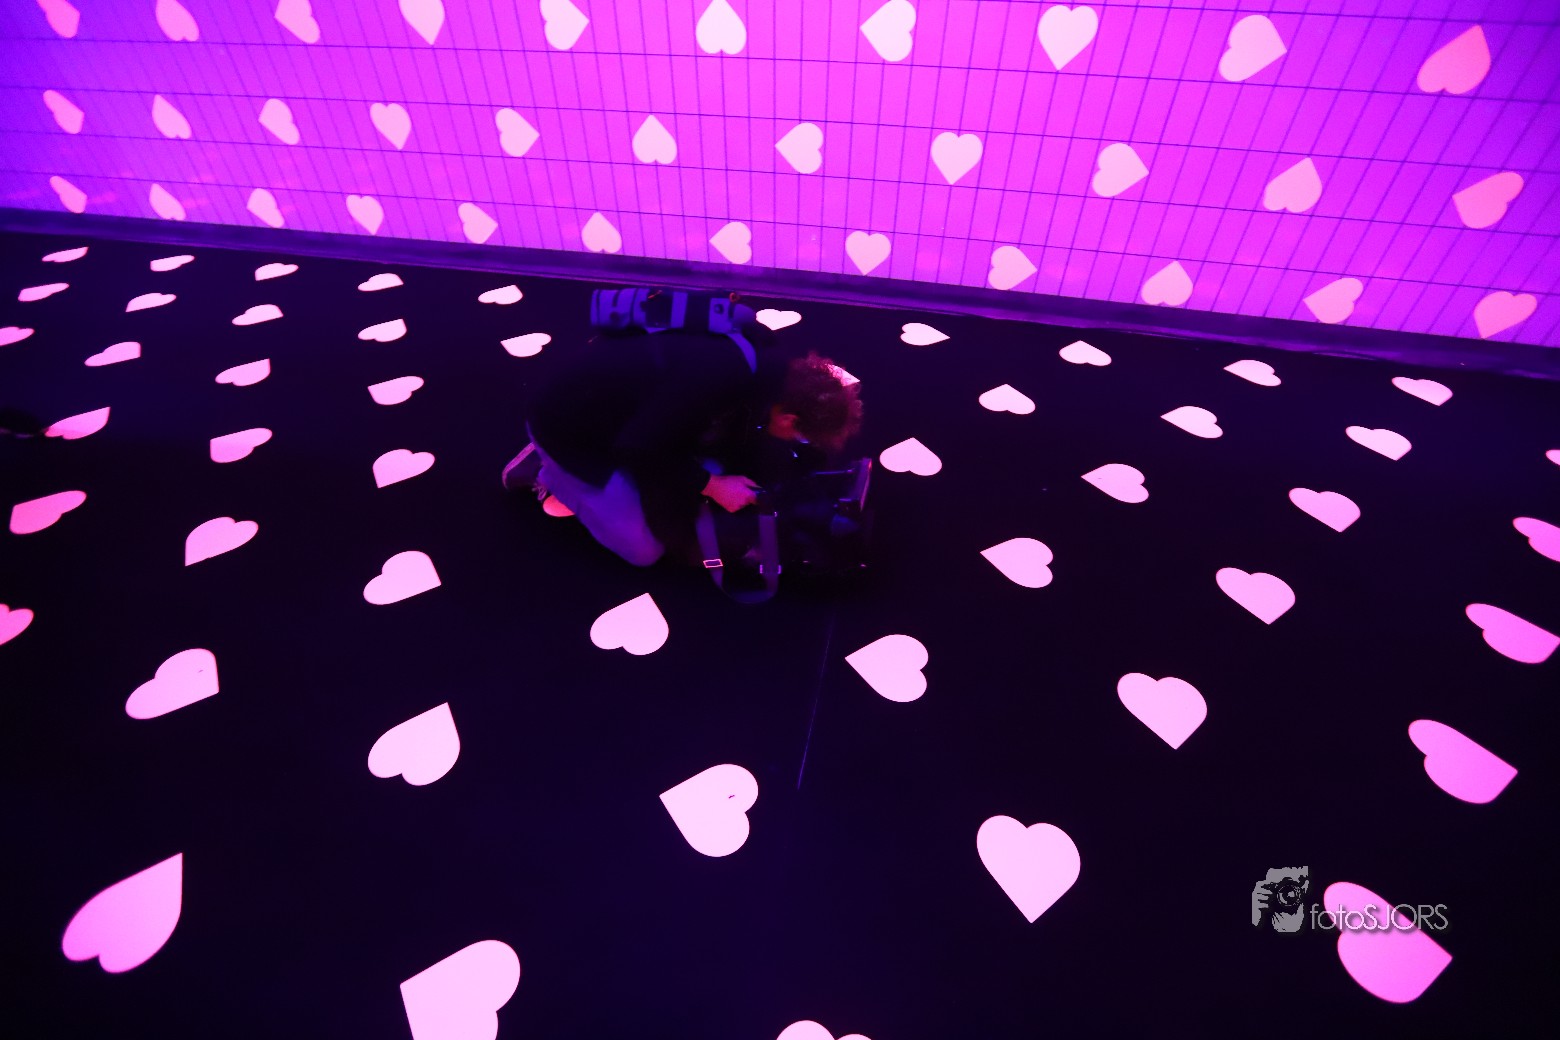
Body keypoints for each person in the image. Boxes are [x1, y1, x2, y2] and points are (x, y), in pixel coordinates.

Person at [501, 320, 862, 567]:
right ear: (788, 419)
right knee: (642, 549)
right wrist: (712, 485)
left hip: (626, 413)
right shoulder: (713, 383)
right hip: (569, 430)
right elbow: (638, 449)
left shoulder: (766, 360)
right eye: (800, 436)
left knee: (709, 461)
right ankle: (545, 470)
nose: (797, 442)